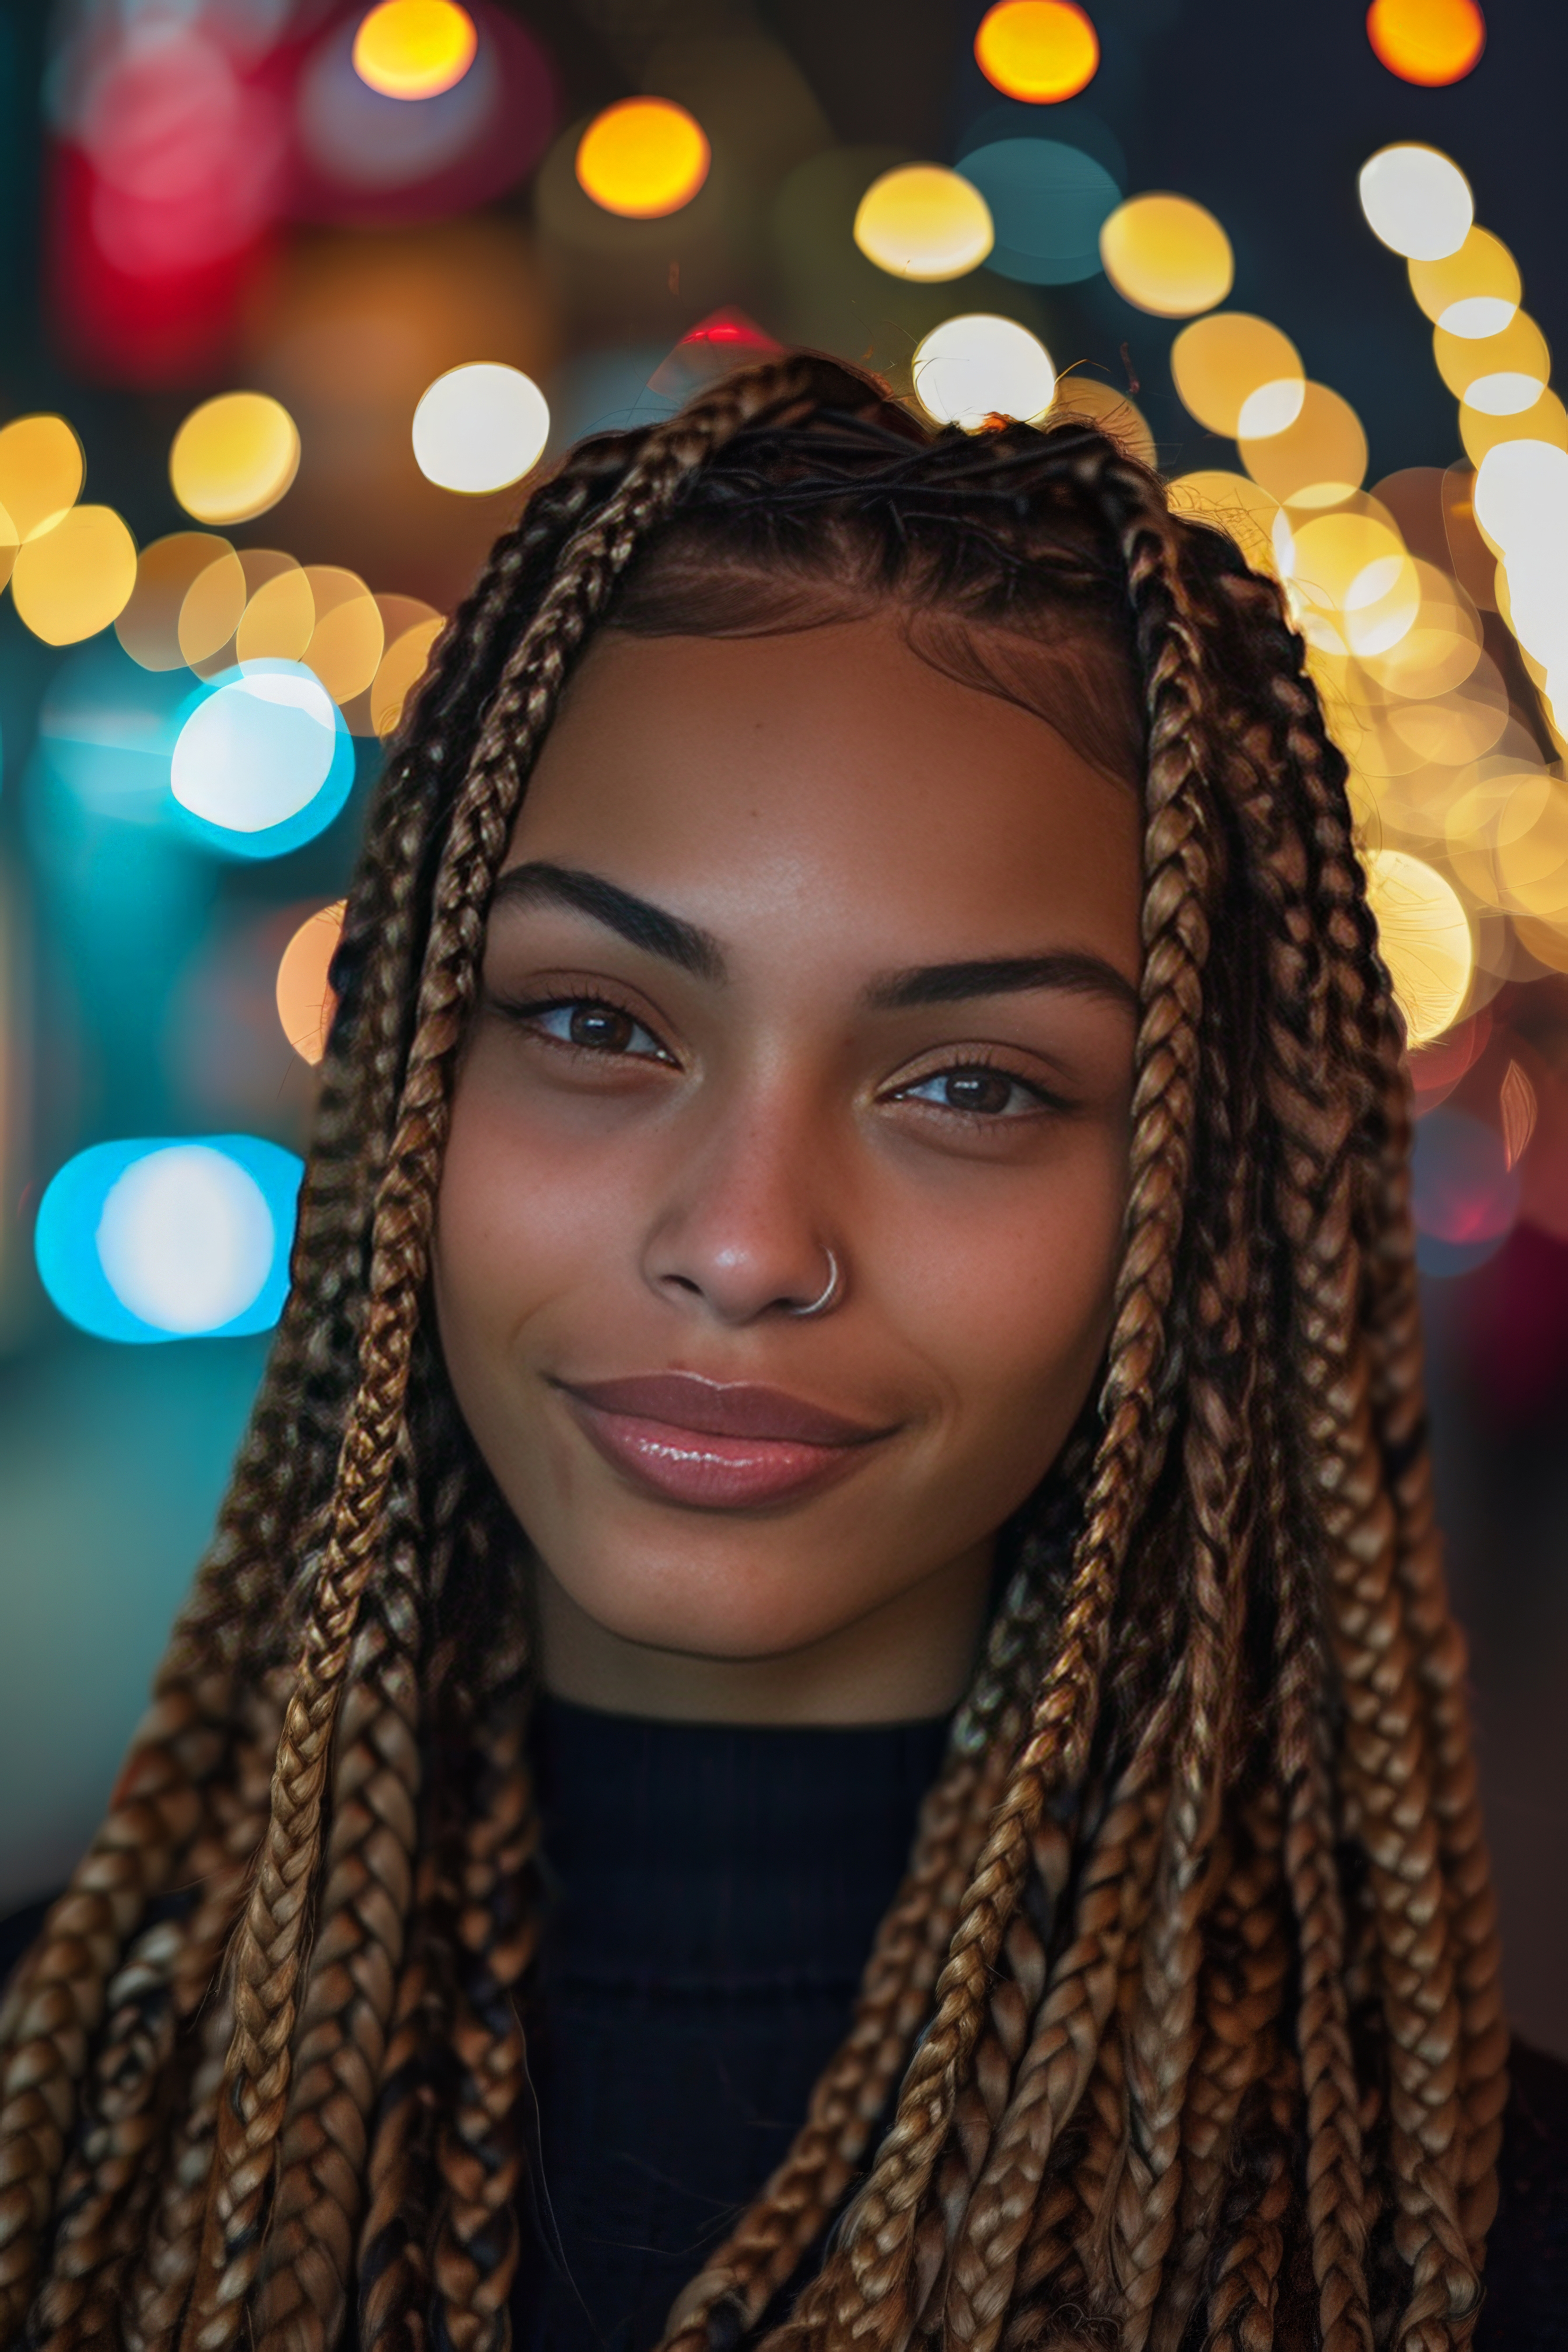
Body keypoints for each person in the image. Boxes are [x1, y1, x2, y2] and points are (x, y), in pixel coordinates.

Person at [0, 352, 1562, 2352]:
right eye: (596, 1024)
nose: (743, 1244)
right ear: (409, 1080)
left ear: (1192, 1211)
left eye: (976, 1084)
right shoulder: (53, 2153)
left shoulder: (1455, 2263)